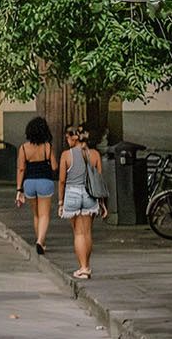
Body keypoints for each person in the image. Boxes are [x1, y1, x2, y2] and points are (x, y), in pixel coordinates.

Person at [58, 123, 106, 280]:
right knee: (87, 232)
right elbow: (99, 180)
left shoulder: (66, 155)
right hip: (90, 195)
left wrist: (60, 202)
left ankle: (83, 267)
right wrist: (102, 203)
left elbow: (62, 181)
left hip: (72, 193)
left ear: (74, 137)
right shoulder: (95, 155)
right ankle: (87, 266)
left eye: (67, 137)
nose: (66, 140)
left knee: (78, 233)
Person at [15, 116, 59, 254]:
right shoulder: (47, 146)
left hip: (29, 183)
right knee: (44, 214)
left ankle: (40, 240)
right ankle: (40, 241)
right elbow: (54, 167)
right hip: (45, 182)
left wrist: (19, 189)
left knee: (36, 215)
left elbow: (21, 169)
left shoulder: (23, 148)